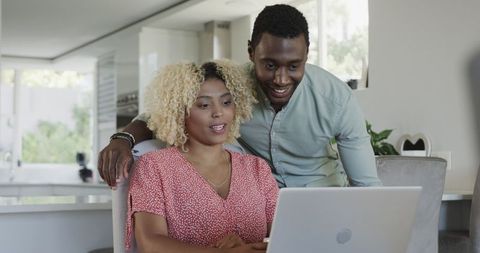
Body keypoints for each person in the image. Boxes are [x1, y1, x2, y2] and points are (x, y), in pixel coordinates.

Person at [98, 4, 381, 188]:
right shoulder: (231, 86)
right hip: (258, 207)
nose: (281, 79)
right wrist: (123, 138)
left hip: (321, 203)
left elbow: (367, 186)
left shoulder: (337, 100)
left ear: (307, 54)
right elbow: (164, 115)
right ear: (251, 53)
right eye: (269, 65)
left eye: (294, 66)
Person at [125, 60, 278, 253]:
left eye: (226, 102)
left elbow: (284, 235)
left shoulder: (257, 168)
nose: (218, 112)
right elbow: (151, 243)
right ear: (180, 112)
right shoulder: (154, 167)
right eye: (204, 105)